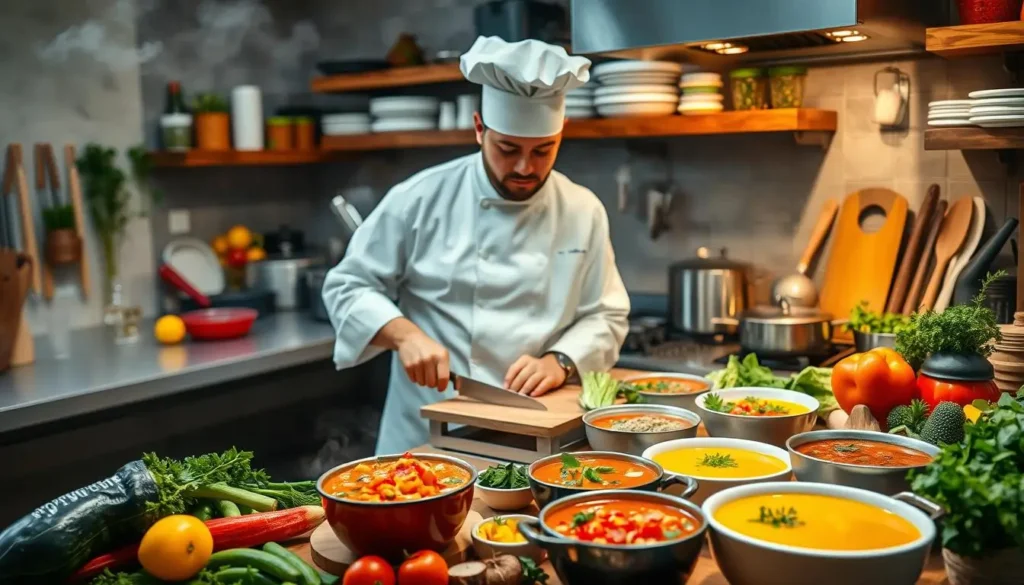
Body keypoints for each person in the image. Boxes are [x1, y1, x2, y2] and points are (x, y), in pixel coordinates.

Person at [322, 36, 630, 454]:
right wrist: (405, 335)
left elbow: (607, 315)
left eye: (543, 150)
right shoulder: (419, 198)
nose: (525, 167)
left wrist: (560, 361)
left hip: (534, 431)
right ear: (479, 129)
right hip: (427, 433)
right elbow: (347, 285)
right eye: (508, 149)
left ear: (563, 133)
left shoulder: (582, 208)